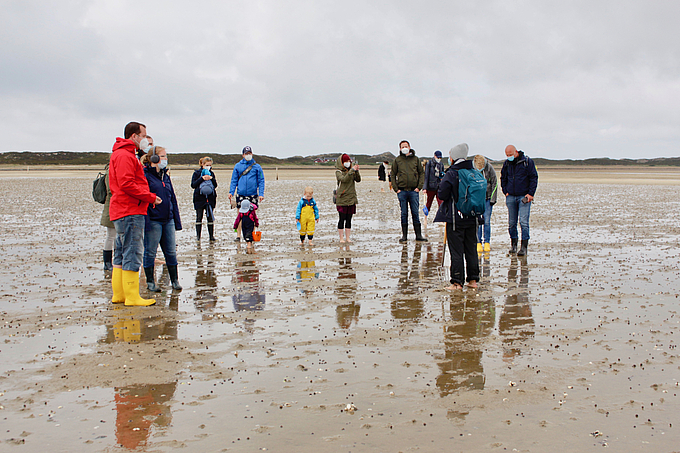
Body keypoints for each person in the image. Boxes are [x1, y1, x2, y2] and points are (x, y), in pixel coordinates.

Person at [108, 122, 162, 307]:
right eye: (144, 135)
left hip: (124, 209)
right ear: (134, 136)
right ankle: (131, 296)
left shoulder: (123, 153)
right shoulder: (124, 155)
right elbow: (127, 184)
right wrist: (150, 197)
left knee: (121, 251)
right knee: (132, 251)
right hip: (129, 210)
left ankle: (120, 294)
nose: (146, 139)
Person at [434, 143, 479, 290]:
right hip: (473, 217)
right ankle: (473, 281)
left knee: (456, 251)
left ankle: (457, 282)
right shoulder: (474, 171)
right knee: (471, 249)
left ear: (454, 156)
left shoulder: (452, 173)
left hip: (455, 218)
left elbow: (442, 194)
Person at [142, 146, 182, 292]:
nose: (165, 159)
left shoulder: (166, 176)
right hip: (153, 220)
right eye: (163, 156)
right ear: (154, 158)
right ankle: (151, 282)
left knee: (171, 251)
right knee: (150, 251)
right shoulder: (145, 175)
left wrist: (176, 219)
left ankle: (175, 280)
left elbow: (172, 198)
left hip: (168, 219)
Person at [500, 145, 538, 256]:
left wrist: (531, 194)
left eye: (511, 155)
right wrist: (505, 191)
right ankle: (513, 244)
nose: (509, 157)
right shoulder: (506, 164)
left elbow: (533, 177)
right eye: (507, 155)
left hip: (524, 197)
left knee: (523, 222)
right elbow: (503, 178)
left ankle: (524, 247)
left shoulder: (527, 162)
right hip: (511, 196)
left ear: (516, 152)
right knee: (512, 223)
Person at [392, 140, 427, 242]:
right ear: (400, 148)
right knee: (404, 213)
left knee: (415, 213)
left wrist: (419, 187)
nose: (404, 148)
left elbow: (421, 173)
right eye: (402, 147)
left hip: (413, 191)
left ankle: (418, 235)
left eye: (406, 146)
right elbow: (393, 174)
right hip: (402, 191)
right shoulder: (397, 160)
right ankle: (404, 236)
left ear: (410, 147)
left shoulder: (415, 159)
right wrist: (396, 188)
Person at [229, 146, 265, 242]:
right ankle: (238, 235)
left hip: (252, 194)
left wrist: (261, 194)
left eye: (249, 153)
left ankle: (252, 234)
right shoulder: (238, 166)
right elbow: (234, 180)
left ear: (252, 154)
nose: (248, 155)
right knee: (240, 215)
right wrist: (231, 192)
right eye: (246, 154)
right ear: (243, 155)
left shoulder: (257, 167)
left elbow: (261, 181)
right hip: (241, 194)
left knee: (252, 216)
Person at [473, 154, 498, 252]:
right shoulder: (472, 169)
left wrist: (492, 199)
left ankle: (487, 242)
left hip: (487, 199)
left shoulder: (489, 168)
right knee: (478, 222)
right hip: (477, 200)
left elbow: (495, 183)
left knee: (486, 221)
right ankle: (478, 242)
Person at [335, 154, 360, 243]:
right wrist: (351, 171)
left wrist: (356, 171)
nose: (348, 163)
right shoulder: (338, 172)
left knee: (349, 219)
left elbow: (358, 180)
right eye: (345, 162)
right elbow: (344, 179)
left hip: (351, 198)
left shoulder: (351, 171)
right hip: (342, 198)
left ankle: (348, 238)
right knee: (342, 218)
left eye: (349, 161)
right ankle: (341, 238)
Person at [191, 157, 217, 241]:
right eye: (207, 165)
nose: (208, 167)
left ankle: (211, 236)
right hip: (199, 198)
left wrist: (211, 179)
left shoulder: (211, 173)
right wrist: (201, 179)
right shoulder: (196, 173)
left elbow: (215, 185)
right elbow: (193, 185)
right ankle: (198, 237)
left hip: (210, 198)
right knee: (199, 217)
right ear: (202, 164)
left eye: (210, 165)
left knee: (210, 217)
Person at [100, 168, 115, 271]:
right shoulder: (110, 170)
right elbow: (111, 190)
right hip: (111, 207)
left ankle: (110, 262)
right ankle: (107, 262)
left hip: (115, 206)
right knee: (111, 236)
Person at [423, 150, 445, 218]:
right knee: (429, 203)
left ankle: (442, 218)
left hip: (439, 186)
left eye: (440, 158)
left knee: (441, 203)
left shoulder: (441, 164)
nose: (439, 159)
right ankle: (425, 217)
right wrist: (425, 188)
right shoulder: (429, 164)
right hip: (431, 186)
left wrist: (442, 176)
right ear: (434, 156)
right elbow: (426, 176)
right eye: (438, 157)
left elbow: (442, 174)